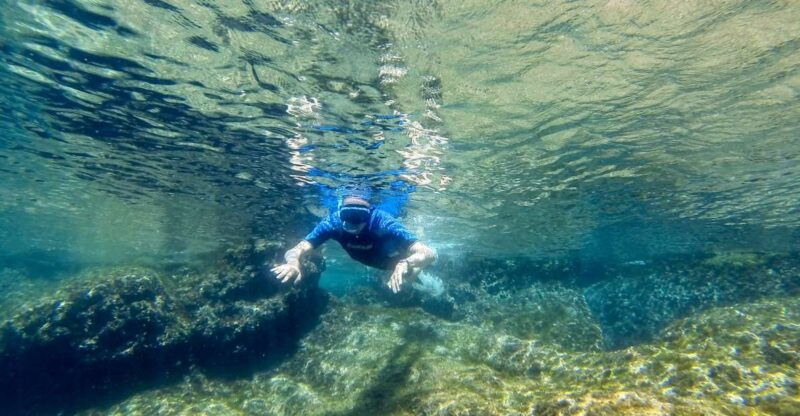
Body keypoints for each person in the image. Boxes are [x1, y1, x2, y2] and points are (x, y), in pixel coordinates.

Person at [271, 192, 436, 293]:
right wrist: (293, 263)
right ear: (340, 212)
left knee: (421, 265)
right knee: (410, 275)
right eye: (347, 217)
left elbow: (425, 252)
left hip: (399, 261)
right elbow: (297, 249)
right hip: (381, 261)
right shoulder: (333, 222)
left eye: (358, 218)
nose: (352, 223)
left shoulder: (381, 221)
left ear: (369, 215)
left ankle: (418, 270)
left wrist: (405, 263)